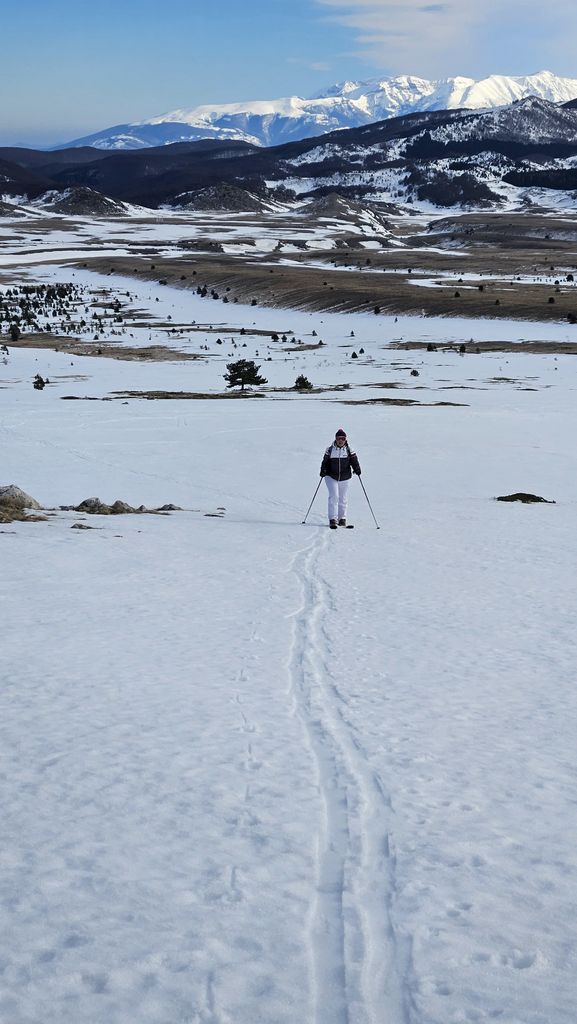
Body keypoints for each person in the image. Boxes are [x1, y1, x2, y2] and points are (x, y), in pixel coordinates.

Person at [320, 428, 361, 528]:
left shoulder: (349, 450)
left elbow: (354, 461)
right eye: (339, 438)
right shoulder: (330, 450)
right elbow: (325, 462)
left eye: (343, 438)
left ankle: (342, 518)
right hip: (331, 476)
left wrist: (357, 469)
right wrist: (323, 470)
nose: (341, 440)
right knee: (334, 496)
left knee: (343, 497)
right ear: (336, 439)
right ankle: (332, 519)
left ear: (345, 439)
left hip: (345, 477)